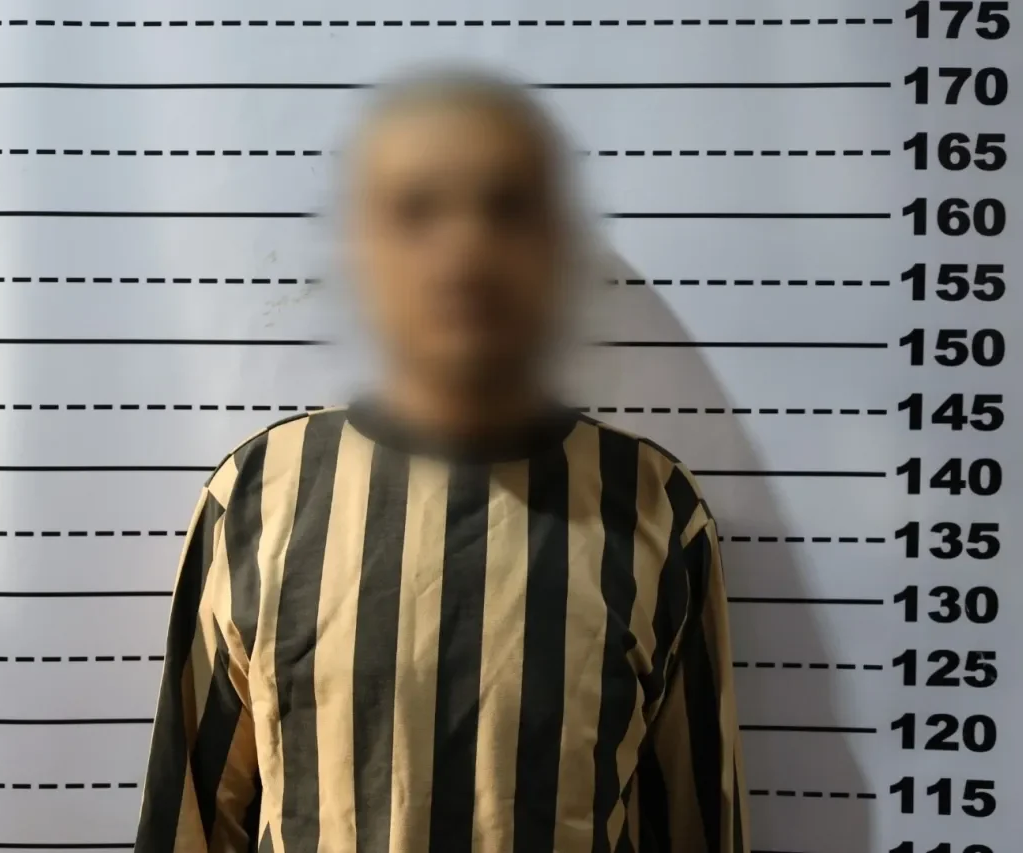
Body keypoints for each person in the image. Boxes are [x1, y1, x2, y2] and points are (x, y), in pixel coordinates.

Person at [133, 66, 748, 853]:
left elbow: (698, 825)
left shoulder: (655, 508)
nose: (465, 252)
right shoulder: (258, 497)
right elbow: (190, 820)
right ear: (362, 250)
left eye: (506, 208)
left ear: (554, 249)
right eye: (417, 210)